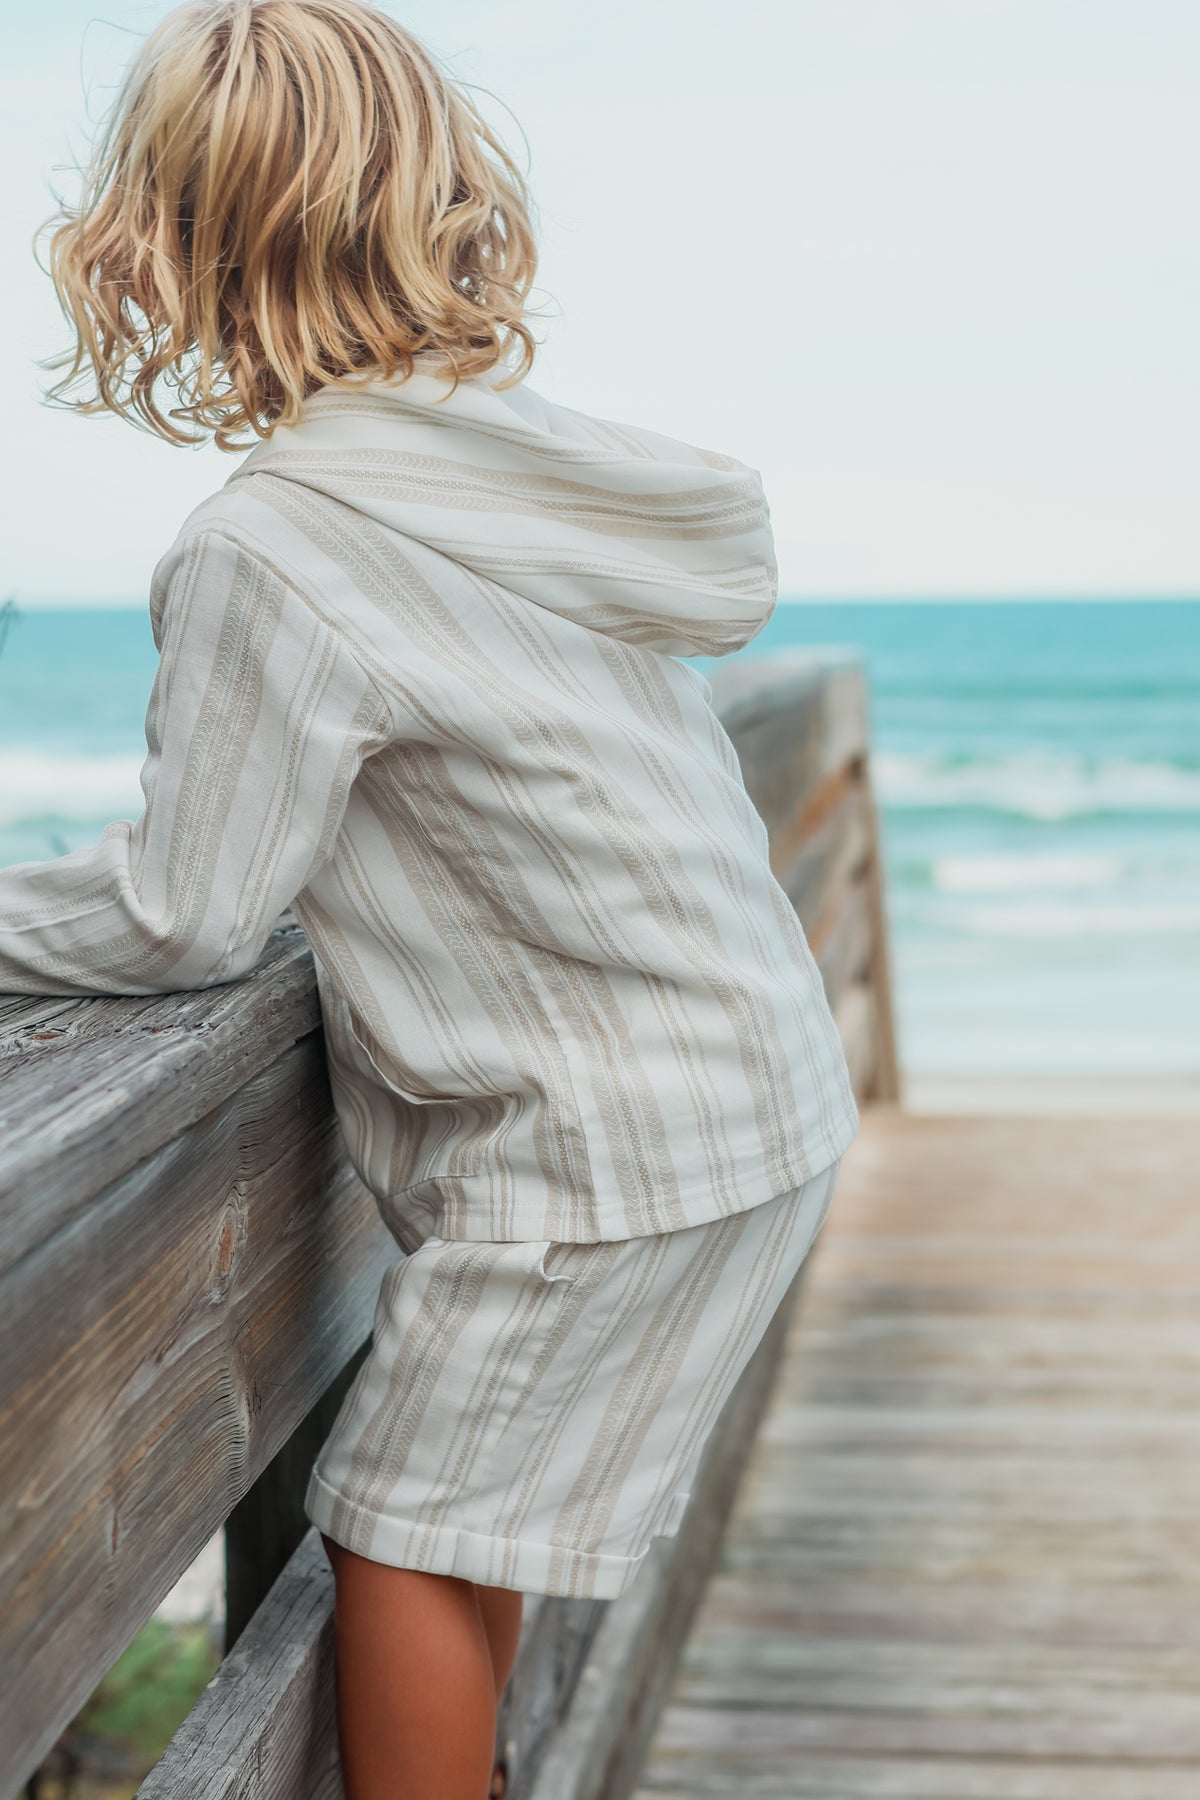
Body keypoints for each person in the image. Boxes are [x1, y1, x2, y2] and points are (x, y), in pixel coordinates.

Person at [0, 4, 859, 1794]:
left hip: (608, 1154)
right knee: (471, 1522)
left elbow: (182, 915)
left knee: (397, 1533)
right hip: (737, 1095)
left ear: (174, 249)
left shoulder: (270, 546)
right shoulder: (503, 470)